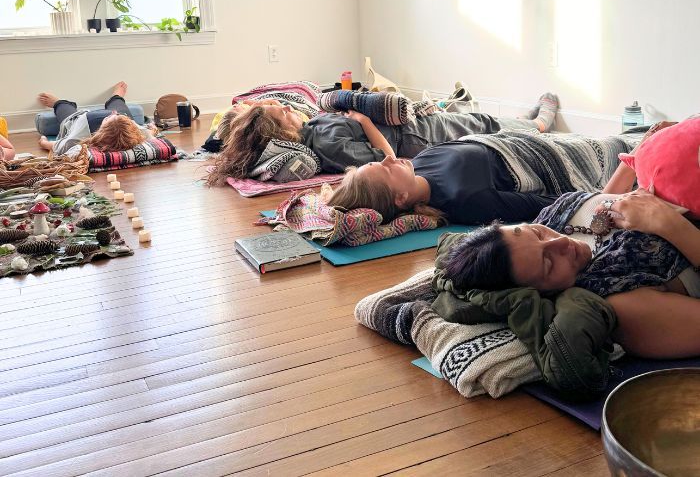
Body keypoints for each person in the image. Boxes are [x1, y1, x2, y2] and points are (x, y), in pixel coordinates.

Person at [439, 121, 700, 359]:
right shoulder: (622, 305)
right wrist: (668, 224)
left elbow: (602, 206)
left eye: (536, 233)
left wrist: (640, 154)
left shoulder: (553, 217)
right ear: (539, 292)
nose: (560, 243)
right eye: (548, 263)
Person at [206, 92, 560, 185]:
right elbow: (386, 157)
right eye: (282, 114)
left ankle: (521, 120)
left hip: (414, 126)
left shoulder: (313, 130)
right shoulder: (327, 145)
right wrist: (362, 120)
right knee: (479, 124)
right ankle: (541, 126)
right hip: (415, 138)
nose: (287, 109)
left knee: (477, 120)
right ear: (282, 131)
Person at [37, 82, 157, 157]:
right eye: (116, 115)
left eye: (110, 117)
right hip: (120, 120)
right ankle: (116, 97)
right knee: (117, 103)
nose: (113, 112)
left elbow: (57, 147)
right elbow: (150, 132)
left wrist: (43, 142)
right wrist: (153, 128)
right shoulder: (134, 130)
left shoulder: (78, 138)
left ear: (101, 131)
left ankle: (58, 102)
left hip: (79, 120)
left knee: (65, 107)